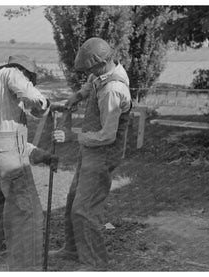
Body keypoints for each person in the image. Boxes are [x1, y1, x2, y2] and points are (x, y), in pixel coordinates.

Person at [0, 54, 57, 271]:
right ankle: (27, 269)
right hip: (2, 154)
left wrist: (43, 156)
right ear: (25, 73)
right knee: (27, 212)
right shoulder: (10, 73)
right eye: (28, 79)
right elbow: (34, 100)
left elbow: (5, 145)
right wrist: (45, 104)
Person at [51, 37, 132, 270]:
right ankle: (72, 249)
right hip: (91, 151)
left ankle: (94, 263)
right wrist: (76, 97)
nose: (89, 73)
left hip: (103, 153)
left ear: (100, 64)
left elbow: (108, 135)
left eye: (90, 69)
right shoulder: (102, 73)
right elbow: (90, 85)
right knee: (72, 201)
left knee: (84, 209)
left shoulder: (113, 90)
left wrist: (74, 136)